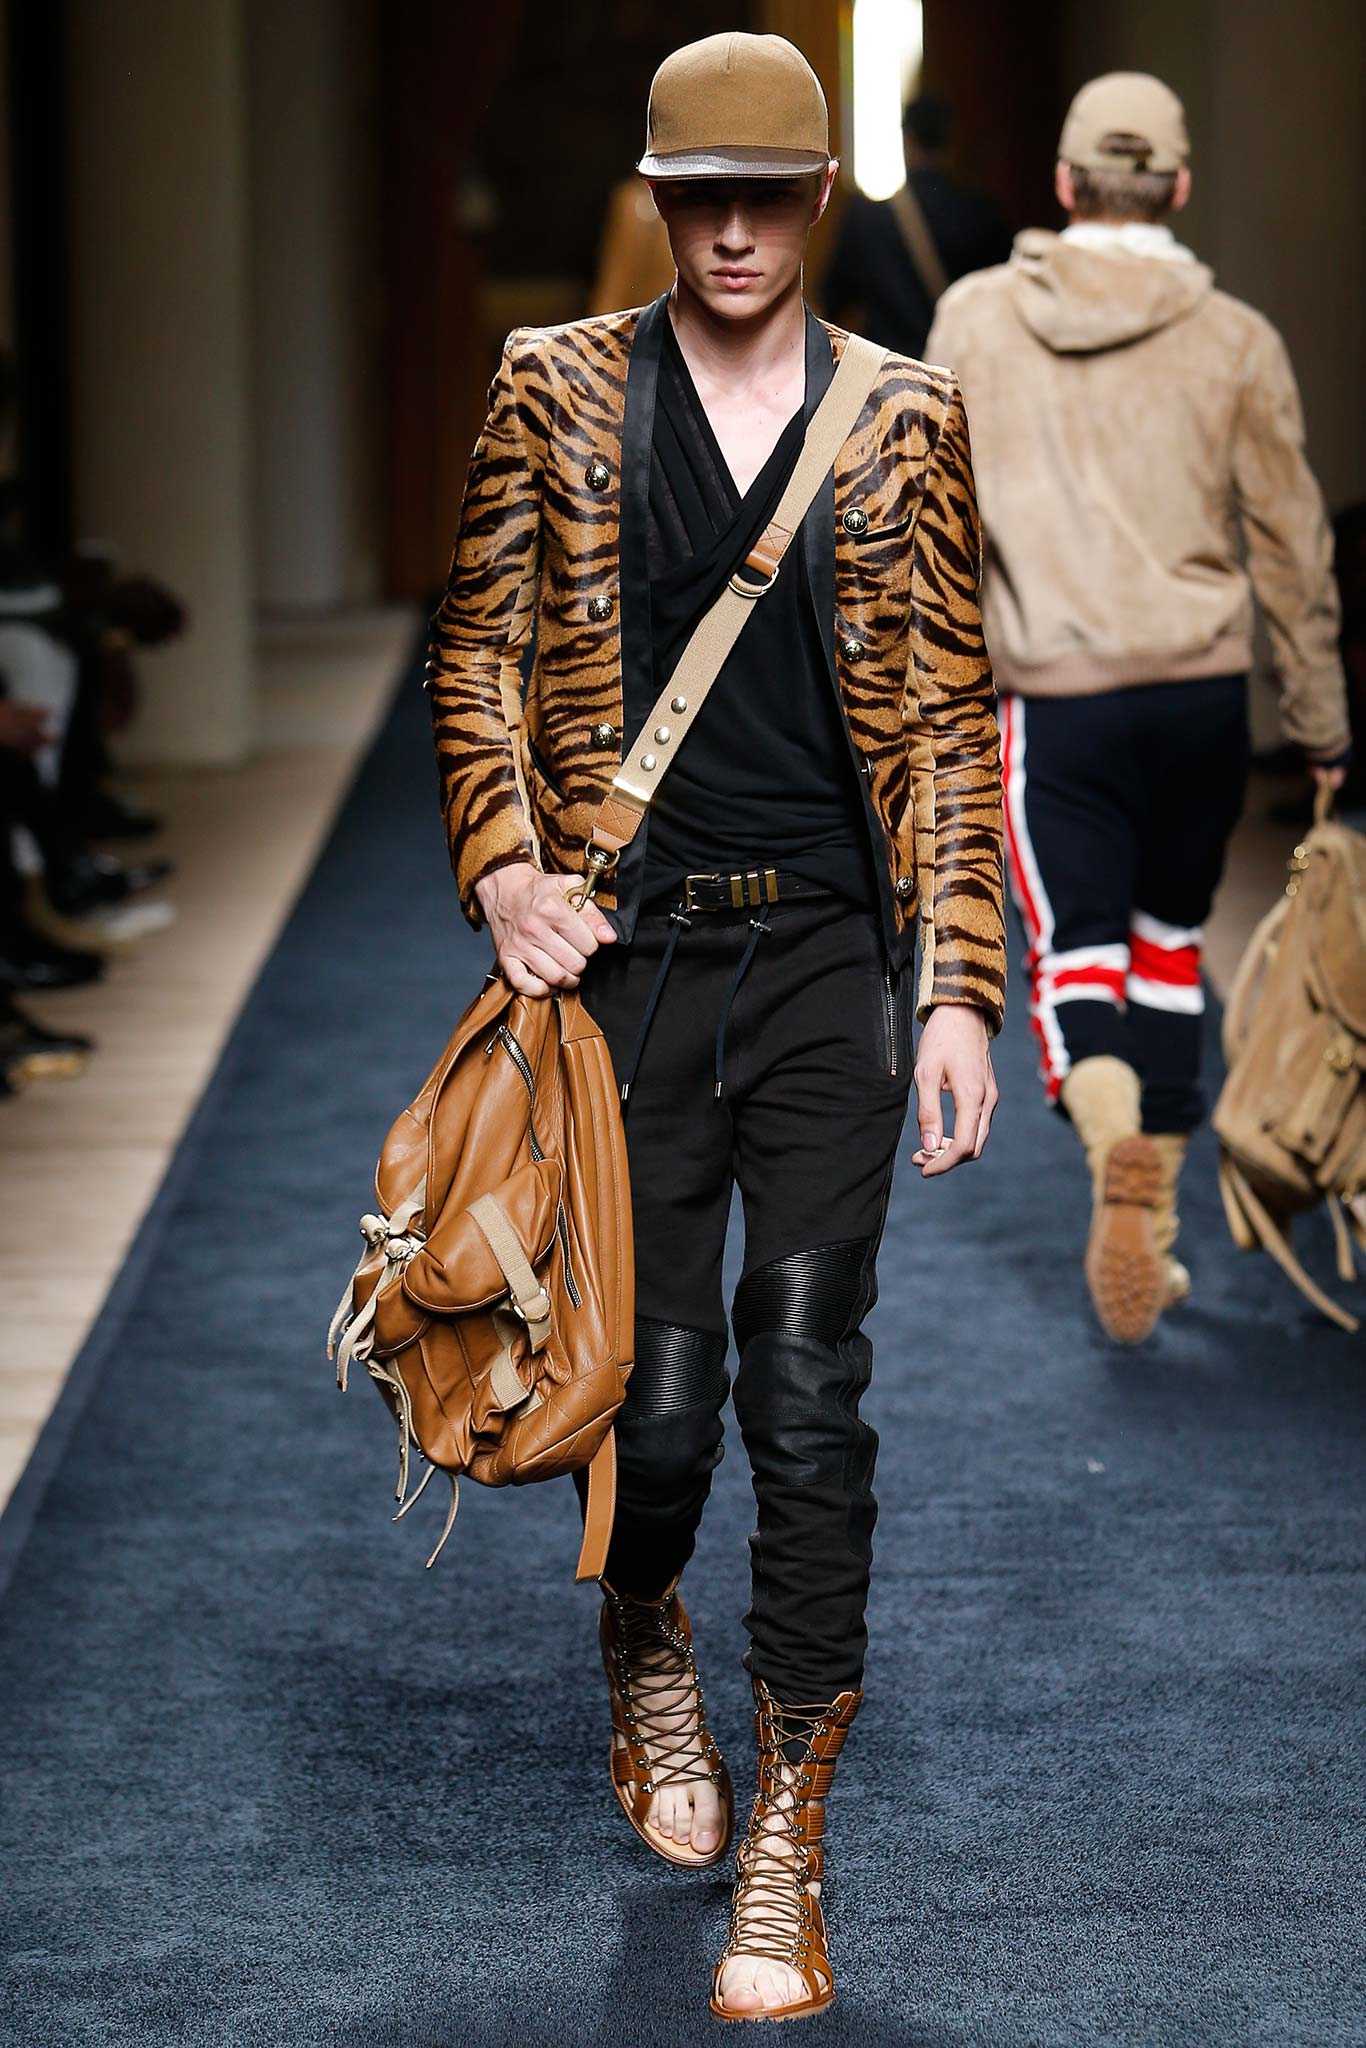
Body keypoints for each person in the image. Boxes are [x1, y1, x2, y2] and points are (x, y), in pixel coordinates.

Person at [427, 30, 1005, 2023]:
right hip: (628, 971)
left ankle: (789, 1837)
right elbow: (477, 647)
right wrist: (504, 862)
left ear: (818, 195)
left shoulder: (904, 416)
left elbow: (947, 720)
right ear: (662, 200)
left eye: (768, 192)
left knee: (806, 1385)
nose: (736, 228)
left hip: (828, 959)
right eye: (702, 195)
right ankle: (643, 1626)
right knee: (659, 1403)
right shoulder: (555, 386)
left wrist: (957, 984)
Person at [926, 72, 1351, 1345]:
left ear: (1062, 183)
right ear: (1178, 186)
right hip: (1201, 701)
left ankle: (1112, 1145)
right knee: (1170, 944)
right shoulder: (1236, 338)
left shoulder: (975, 319)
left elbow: (923, 530)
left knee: (1075, 950)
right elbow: (1292, 547)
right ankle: (1152, 1233)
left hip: (1058, 700)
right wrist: (1321, 721)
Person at [822, 94, 1012, 359]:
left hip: (891, 370)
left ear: (907, 140)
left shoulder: (869, 219)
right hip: (961, 368)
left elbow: (834, 299)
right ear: (951, 142)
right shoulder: (982, 214)